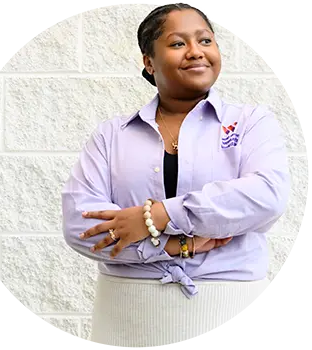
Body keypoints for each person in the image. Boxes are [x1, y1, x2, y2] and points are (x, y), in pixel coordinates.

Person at [61, 2, 290, 348]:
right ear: (149, 62)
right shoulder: (112, 135)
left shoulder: (251, 122)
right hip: (127, 319)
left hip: (230, 311)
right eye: (178, 43)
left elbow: (266, 196)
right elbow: (80, 226)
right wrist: (172, 244)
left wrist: (156, 216)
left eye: (205, 41)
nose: (196, 52)